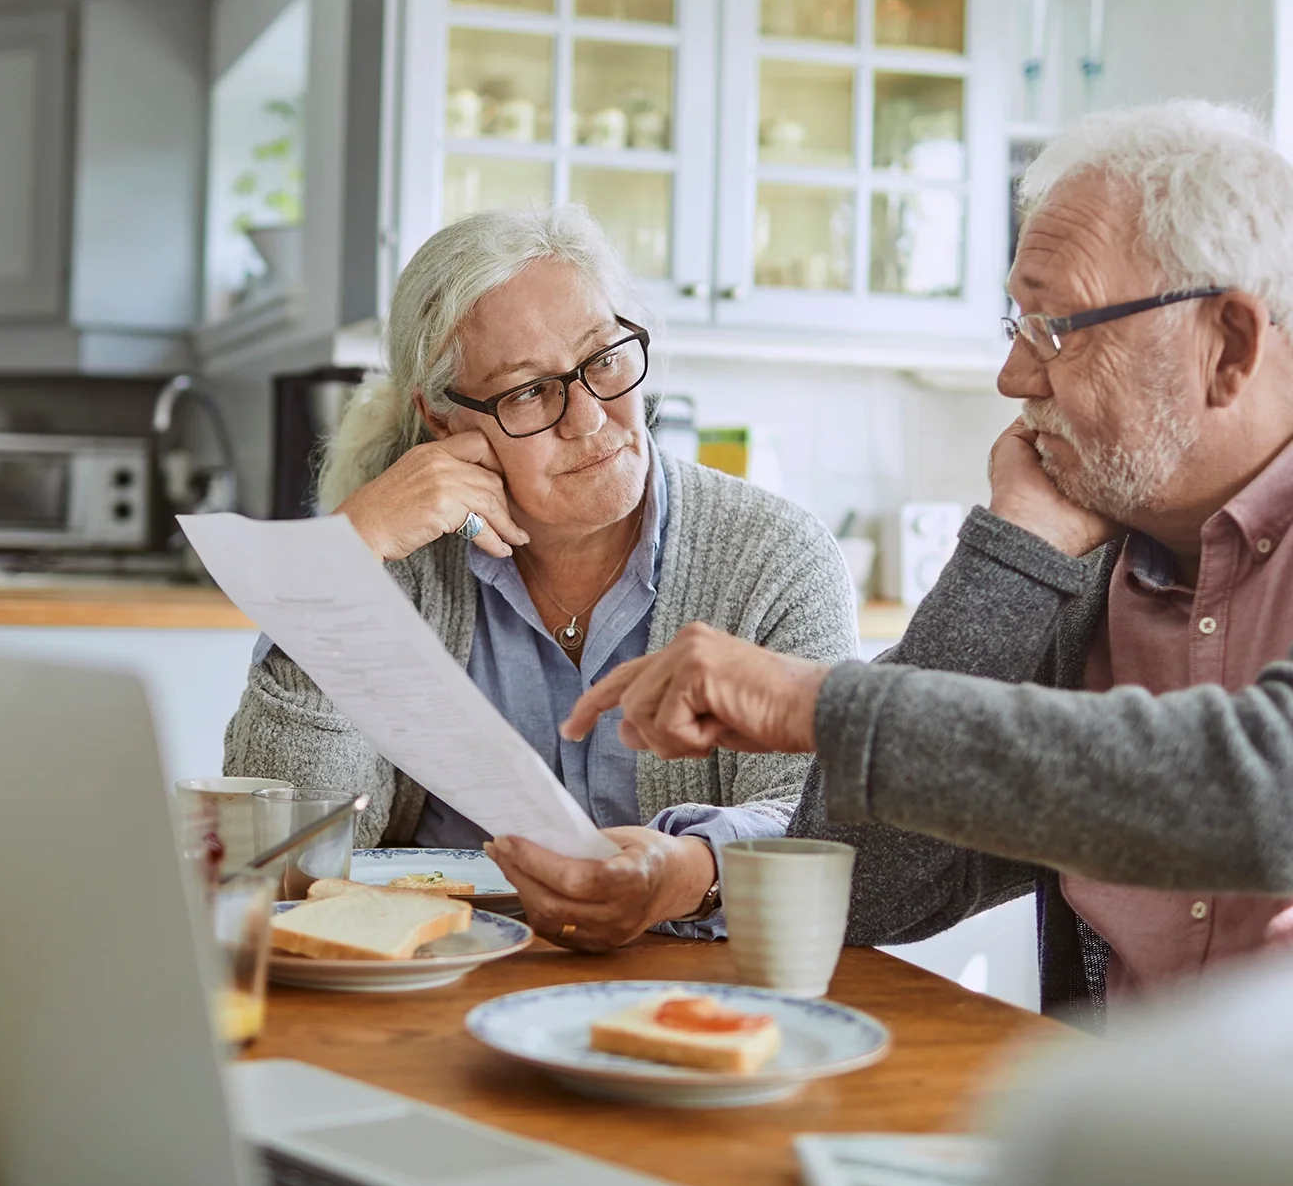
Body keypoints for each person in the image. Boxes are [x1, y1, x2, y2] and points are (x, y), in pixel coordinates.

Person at [551, 101, 1293, 1023]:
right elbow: (872, 882)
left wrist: (815, 702)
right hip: (1128, 1167)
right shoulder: (1088, 560)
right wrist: (1015, 556)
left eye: (1056, 330)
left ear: (1229, 344)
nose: (1012, 381)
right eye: (1013, 326)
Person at [224, 206, 858, 949]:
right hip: (432, 980)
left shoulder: (776, 558)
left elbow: (821, 832)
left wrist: (689, 871)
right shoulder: (399, 559)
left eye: (605, 360)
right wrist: (342, 561)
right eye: (528, 391)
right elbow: (284, 854)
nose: (588, 418)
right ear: (441, 418)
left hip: (697, 987)